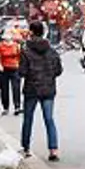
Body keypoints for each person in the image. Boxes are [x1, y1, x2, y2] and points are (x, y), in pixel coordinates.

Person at [19, 21, 62, 161]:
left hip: (31, 89)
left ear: (31, 32)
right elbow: (58, 70)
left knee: (28, 119)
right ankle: (53, 149)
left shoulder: (26, 51)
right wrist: (48, 76)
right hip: (48, 89)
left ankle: (26, 148)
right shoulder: (52, 51)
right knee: (49, 119)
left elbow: (22, 72)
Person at [0, 31, 23, 115]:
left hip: (15, 69)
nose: (7, 39)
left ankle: (17, 107)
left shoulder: (16, 46)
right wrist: (0, 65)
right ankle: (5, 107)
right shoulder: (0, 46)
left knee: (16, 88)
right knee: (4, 89)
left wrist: (20, 66)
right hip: (3, 70)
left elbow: (20, 56)